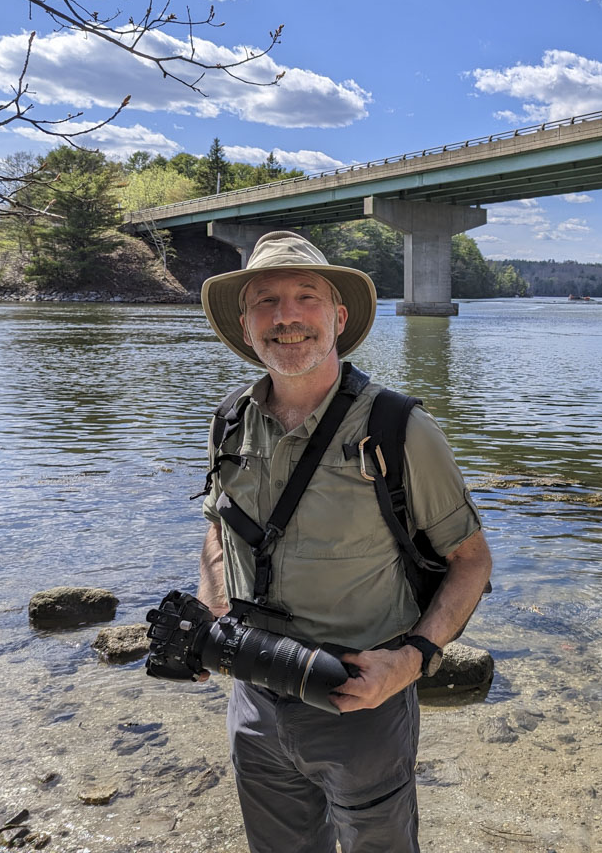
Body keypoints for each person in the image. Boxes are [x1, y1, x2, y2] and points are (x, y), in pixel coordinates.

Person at [195, 230, 492, 853]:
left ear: (339, 316)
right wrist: (210, 620)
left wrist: (409, 662)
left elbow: (471, 561)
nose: (287, 316)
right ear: (246, 326)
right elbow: (218, 527)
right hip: (252, 697)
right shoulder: (228, 421)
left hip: (363, 703)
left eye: (307, 296)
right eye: (266, 301)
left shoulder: (398, 429)